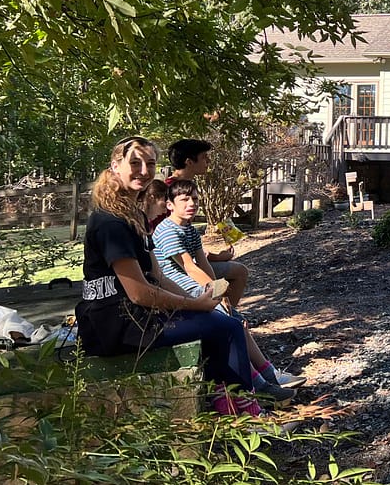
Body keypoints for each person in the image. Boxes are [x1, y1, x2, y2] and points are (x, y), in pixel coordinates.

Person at [75, 136, 265, 417]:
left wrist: (197, 297)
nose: (143, 170)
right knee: (225, 328)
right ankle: (249, 415)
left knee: (221, 323)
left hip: (138, 317)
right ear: (115, 166)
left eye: (150, 163)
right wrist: (194, 306)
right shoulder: (110, 222)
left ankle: (233, 408)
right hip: (116, 326)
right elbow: (139, 292)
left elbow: (158, 275)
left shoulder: (133, 215)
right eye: (135, 163)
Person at [146, 179, 306, 392]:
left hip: (198, 289)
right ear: (170, 205)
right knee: (232, 325)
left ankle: (269, 375)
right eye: (184, 199)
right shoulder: (168, 230)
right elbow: (189, 269)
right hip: (183, 292)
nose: (191, 204)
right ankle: (260, 383)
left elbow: (203, 264)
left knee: (236, 321)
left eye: (194, 199)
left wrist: (221, 290)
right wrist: (218, 293)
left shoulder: (190, 230)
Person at [166, 138, 249, 307]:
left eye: (194, 200)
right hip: (173, 269)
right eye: (204, 157)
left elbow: (188, 241)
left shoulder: (184, 187)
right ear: (189, 162)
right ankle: (224, 314)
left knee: (239, 271)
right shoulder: (168, 191)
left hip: (189, 261)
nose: (208, 161)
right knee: (239, 272)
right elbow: (180, 256)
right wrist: (217, 288)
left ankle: (227, 314)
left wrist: (213, 256)